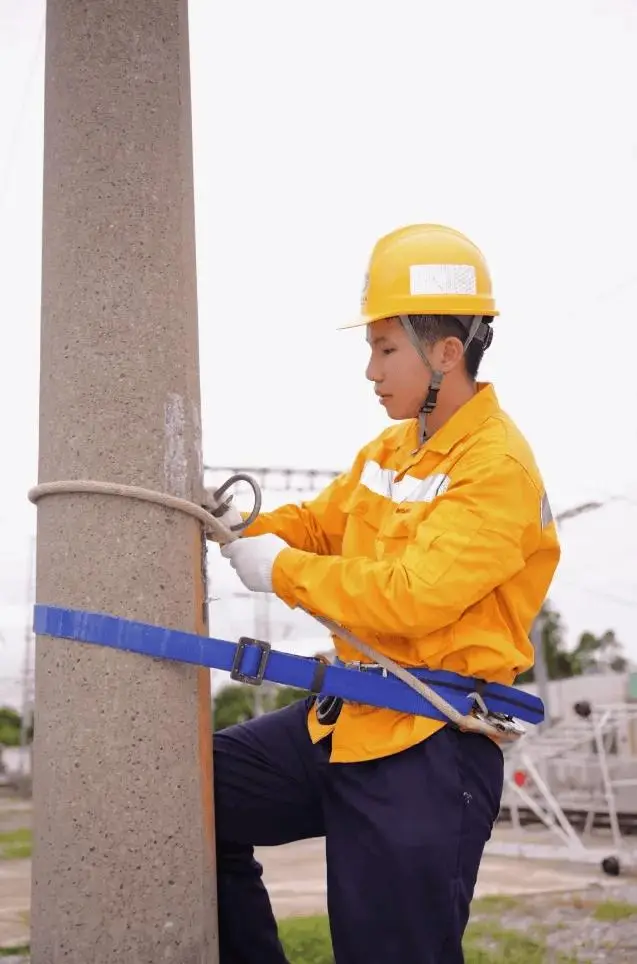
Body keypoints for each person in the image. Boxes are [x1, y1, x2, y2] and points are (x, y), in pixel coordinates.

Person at [207, 223, 561, 964]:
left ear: (444, 352)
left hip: (429, 746)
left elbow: (412, 598)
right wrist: (240, 525)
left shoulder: (496, 467)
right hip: (351, 717)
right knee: (189, 792)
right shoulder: (390, 450)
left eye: (384, 348)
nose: (369, 369)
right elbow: (317, 525)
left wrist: (277, 569)